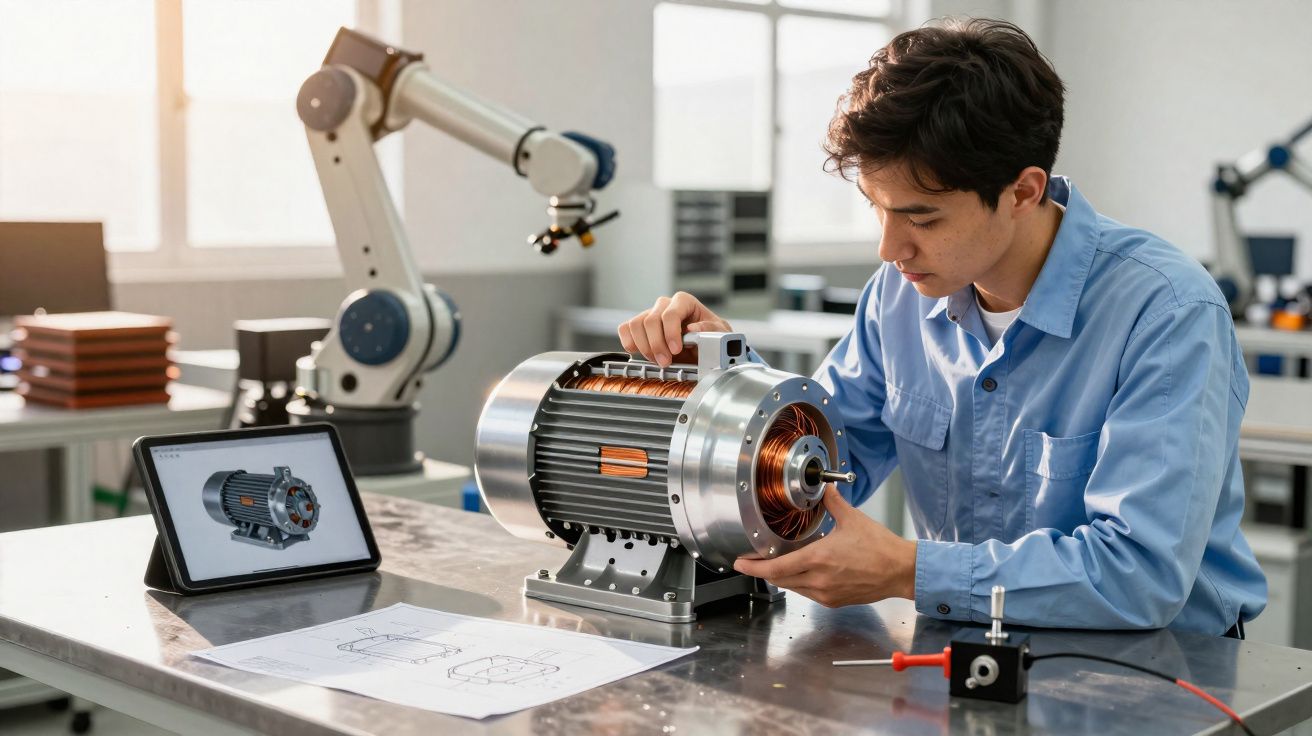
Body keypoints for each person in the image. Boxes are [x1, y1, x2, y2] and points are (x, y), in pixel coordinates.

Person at [618, 18, 1265, 636]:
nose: (889, 248)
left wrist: (908, 569)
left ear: (1022, 192)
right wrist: (730, 381)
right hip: (967, 652)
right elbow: (822, 460)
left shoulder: (1167, 312)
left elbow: (1140, 577)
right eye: (876, 209)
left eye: (922, 220)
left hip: (1159, 671)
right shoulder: (895, 299)